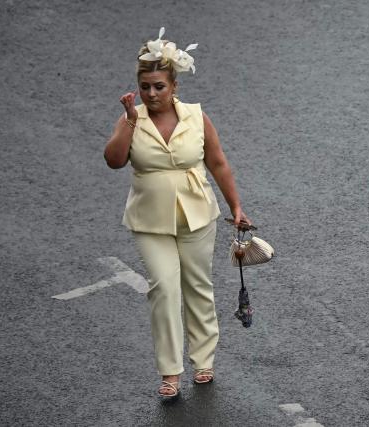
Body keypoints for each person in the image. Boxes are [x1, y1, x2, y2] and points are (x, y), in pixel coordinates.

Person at [104, 28, 250, 398]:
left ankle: (204, 360)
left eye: (158, 87)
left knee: (198, 286)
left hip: (197, 214)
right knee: (164, 288)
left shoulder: (196, 117)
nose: (151, 94)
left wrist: (236, 207)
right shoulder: (131, 118)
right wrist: (130, 122)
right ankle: (170, 371)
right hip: (150, 219)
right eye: (145, 87)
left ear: (174, 87)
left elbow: (218, 163)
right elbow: (114, 161)